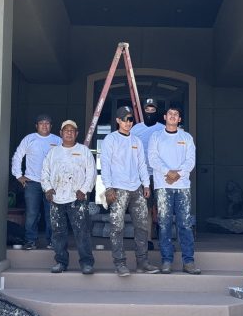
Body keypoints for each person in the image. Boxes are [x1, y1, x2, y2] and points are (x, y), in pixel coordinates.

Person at [100, 105, 159, 277]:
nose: (128, 123)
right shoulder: (110, 139)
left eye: (131, 119)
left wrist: (146, 185)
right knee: (116, 227)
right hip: (118, 188)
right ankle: (120, 263)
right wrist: (108, 187)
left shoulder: (136, 141)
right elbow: (105, 165)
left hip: (137, 188)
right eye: (125, 119)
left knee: (142, 227)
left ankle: (142, 262)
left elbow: (142, 165)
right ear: (118, 120)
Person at [148, 106, 200, 274]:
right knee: (164, 224)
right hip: (163, 185)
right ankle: (166, 261)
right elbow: (153, 158)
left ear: (179, 119)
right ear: (165, 117)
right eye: (169, 114)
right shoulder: (156, 136)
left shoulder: (186, 137)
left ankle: (188, 262)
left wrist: (178, 174)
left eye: (176, 114)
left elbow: (190, 160)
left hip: (182, 186)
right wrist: (168, 172)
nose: (172, 116)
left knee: (185, 224)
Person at [41, 120, 97, 275]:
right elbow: (45, 172)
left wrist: (84, 190)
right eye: (66, 130)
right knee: (58, 233)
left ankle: (86, 263)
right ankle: (61, 262)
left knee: (82, 232)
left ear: (77, 134)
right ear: (61, 133)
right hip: (56, 198)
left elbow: (91, 172)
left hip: (77, 198)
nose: (69, 133)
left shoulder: (84, 151)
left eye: (72, 130)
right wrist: (48, 188)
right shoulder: (53, 152)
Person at [11, 114, 61, 249]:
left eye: (47, 123)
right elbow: (17, 156)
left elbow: (64, 160)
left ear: (51, 126)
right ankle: (30, 241)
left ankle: (52, 241)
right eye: (41, 123)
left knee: (51, 213)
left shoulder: (57, 140)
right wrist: (18, 175)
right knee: (32, 214)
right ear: (36, 126)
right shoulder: (29, 139)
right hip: (32, 182)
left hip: (51, 183)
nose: (44, 125)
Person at [130, 98, 165, 237]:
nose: (150, 112)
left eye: (153, 110)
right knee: (146, 208)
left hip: (160, 175)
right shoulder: (135, 129)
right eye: (147, 110)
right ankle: (147, 240)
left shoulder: (162, 129)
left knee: (163, 208)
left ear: (157, 111)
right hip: (142, 175)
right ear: (143, 111)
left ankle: (163, 239)